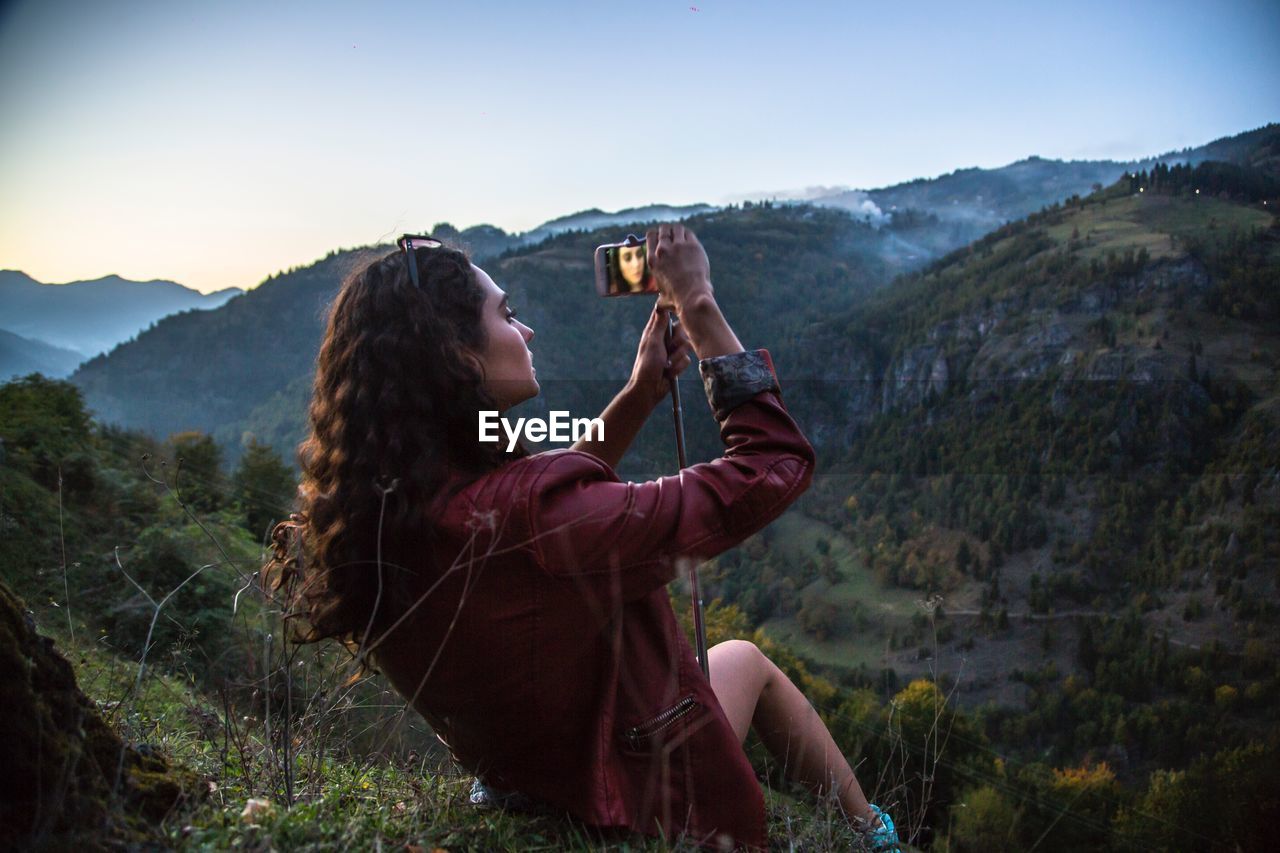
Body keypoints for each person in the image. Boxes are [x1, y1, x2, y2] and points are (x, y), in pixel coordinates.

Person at [267, 223, 898, 851]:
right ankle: (877, 840)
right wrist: (700, 306)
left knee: (740, 662)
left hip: (543, 775)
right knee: (750, 662)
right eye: (506, 315)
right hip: (642, 799)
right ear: (457, 354)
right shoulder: (526, 518)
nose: (527, 331)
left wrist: (638, 395)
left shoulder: (391, 506)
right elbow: (773, 463)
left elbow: (540, 512)